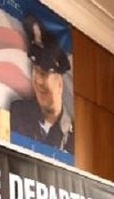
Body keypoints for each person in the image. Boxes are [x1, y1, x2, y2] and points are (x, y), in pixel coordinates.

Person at [10, 16, 74, 153]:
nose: (38, 81)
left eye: (44, 74)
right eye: (35, 71)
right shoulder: (18, 113)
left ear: (60, 83)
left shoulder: (72, 137)